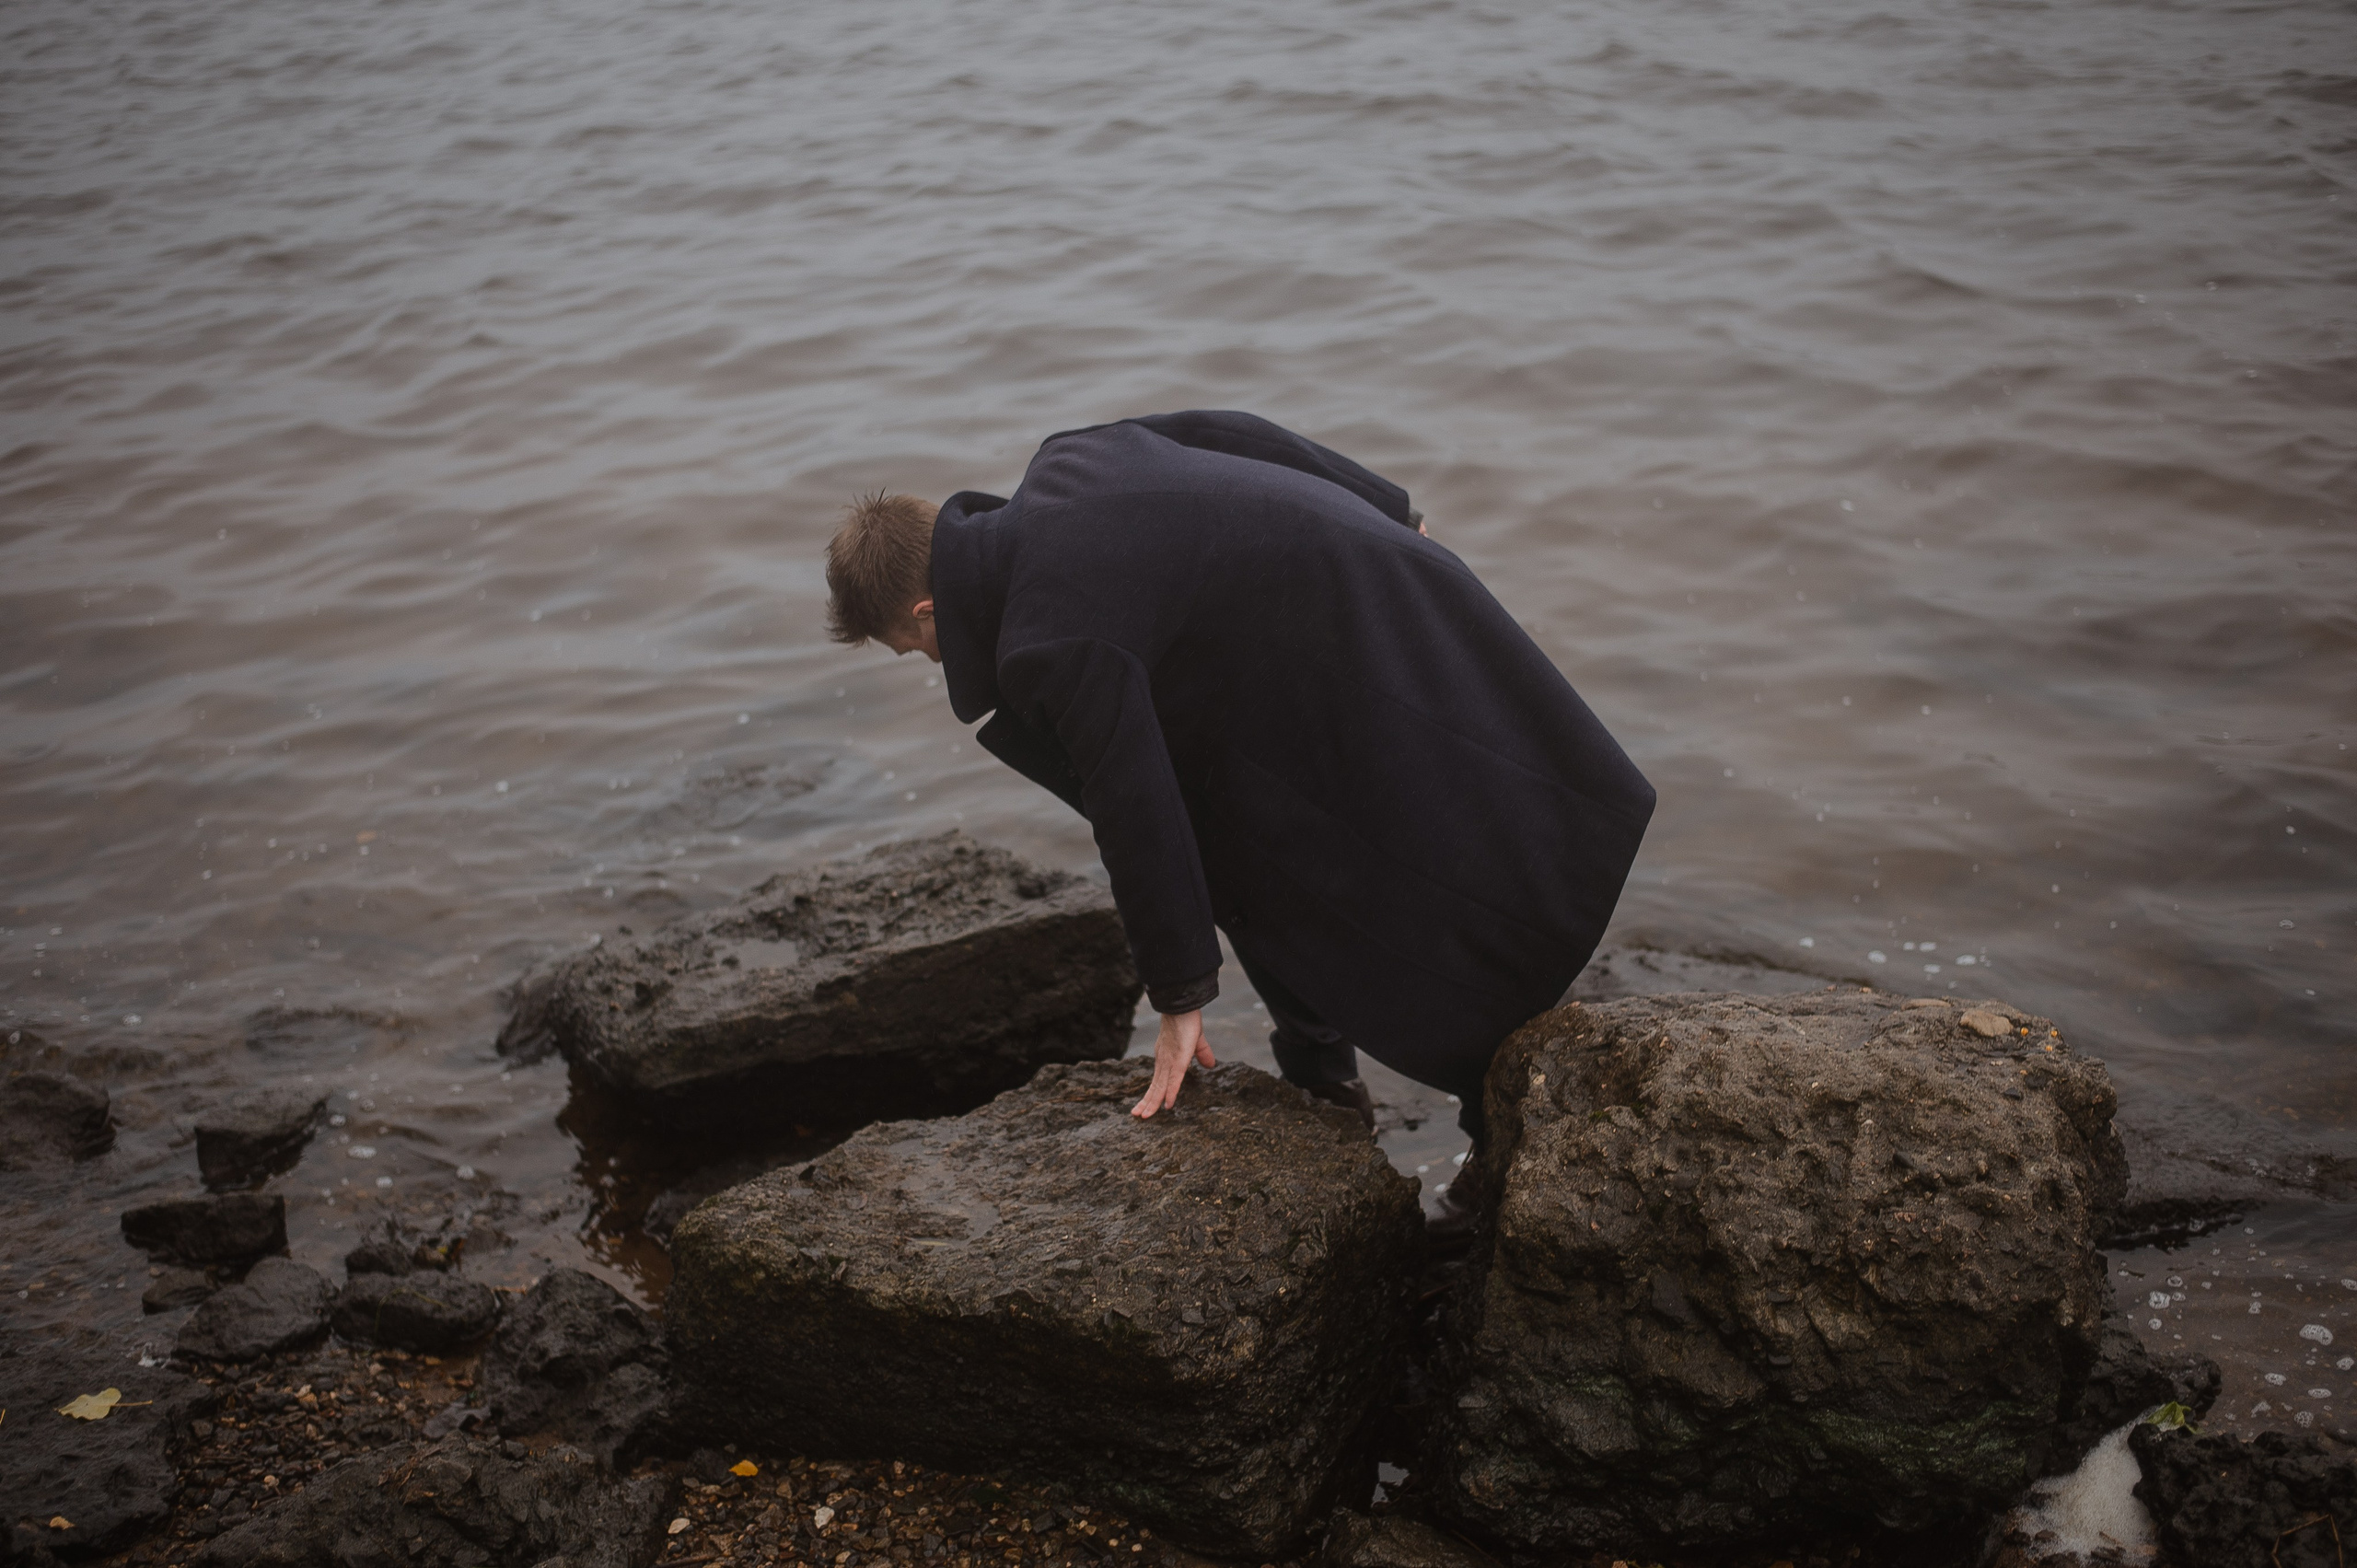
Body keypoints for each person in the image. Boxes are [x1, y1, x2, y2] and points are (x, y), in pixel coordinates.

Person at [823, 411, 1654, 1227]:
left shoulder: (1049, 633)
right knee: (1256, 863)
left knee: (1421, 883)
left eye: (913, 650)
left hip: (1345, 659)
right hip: (1380, 579)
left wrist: (1179, 994)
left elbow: (1133, 799)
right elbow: (1233, 430)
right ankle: (1327, 1084)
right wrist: (1391, 508)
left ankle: (1499, 1139)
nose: (931, 665)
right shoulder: (1067, 460)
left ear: (928, 612)